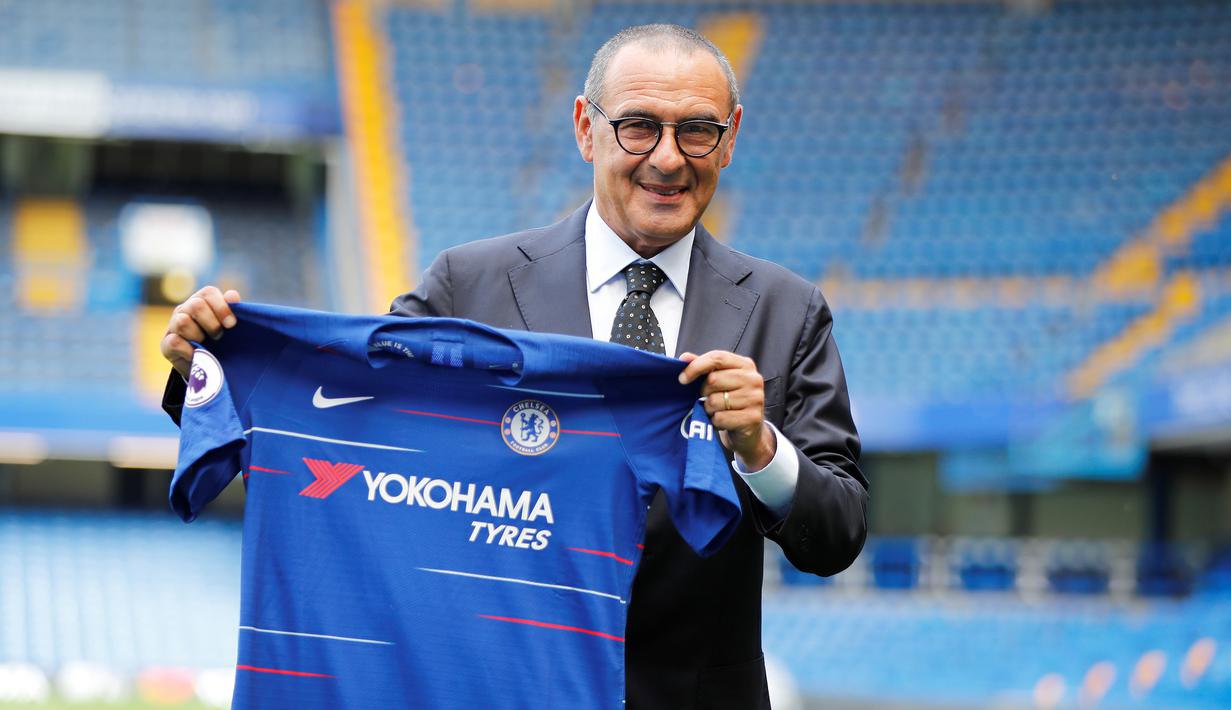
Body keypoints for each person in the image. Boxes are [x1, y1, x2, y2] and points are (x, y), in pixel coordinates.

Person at [160, 24, 867, 710]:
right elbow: (346, 428)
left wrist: (759, 450)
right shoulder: (469, 285)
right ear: (586, 128)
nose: (667, 157)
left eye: (696, 131)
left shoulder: (786, 311)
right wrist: (210, 368)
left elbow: (836, 534)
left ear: (730, 136)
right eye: (638, 126)